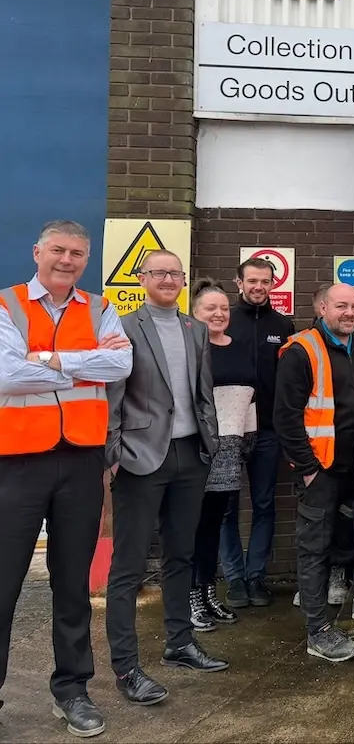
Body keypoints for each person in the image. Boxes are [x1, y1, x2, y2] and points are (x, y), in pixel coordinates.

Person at [0, 220, 132, 738]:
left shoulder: (100, 308)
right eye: (58, 250)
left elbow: (120, 364)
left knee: (73, 584)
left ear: (86, 259)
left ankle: (72, 690)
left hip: (81, 461)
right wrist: (83, 365)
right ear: (38, 252)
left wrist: (49, 359)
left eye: (77, 253)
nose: (67, 260)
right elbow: (6, 374)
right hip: (18, 462)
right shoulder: (7, 305)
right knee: (4, 583)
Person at [106, 250, 227, 708]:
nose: (168, 279)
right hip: (140, 459)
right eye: (159, 272)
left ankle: (180, 644)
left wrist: (210, 441)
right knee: (129, 567)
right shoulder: (123, 326)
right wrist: (112, 455)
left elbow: (203, 392)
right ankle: (126, 667)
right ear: (142, 278)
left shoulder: (195, 329)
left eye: (175, 273)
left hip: (190, 456)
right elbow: (111, 394)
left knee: (181, 555)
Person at [276, 283, 354, 663]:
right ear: (322, 308)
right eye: (341, 306)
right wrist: (308, 470)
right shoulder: (300, 351)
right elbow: (285, 417)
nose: (350, 313)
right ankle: (317, 630)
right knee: (315, 548)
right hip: (321, 470)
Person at [220, 257, 295, 610]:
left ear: (272, 284)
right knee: (227, 507)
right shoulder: (224, 320)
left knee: (264, 504)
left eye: (265, 281)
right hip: (228, 432)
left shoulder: (283, 325)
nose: (258, 287)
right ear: (239, 283)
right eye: (252, 280)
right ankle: (235, 579)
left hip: (267, 431)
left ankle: (256, 576)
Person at [189, 281, 257, 631]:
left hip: (231, 449)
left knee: (214, 524)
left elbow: (251, 394)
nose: (218, 314)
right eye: (209, 309)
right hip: (200, 448)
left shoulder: (240, 347)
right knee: (193, 525)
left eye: (223, 309)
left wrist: (249, 434)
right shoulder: (190, 350)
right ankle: (191, 596)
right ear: (194, 313)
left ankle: (207, 591)